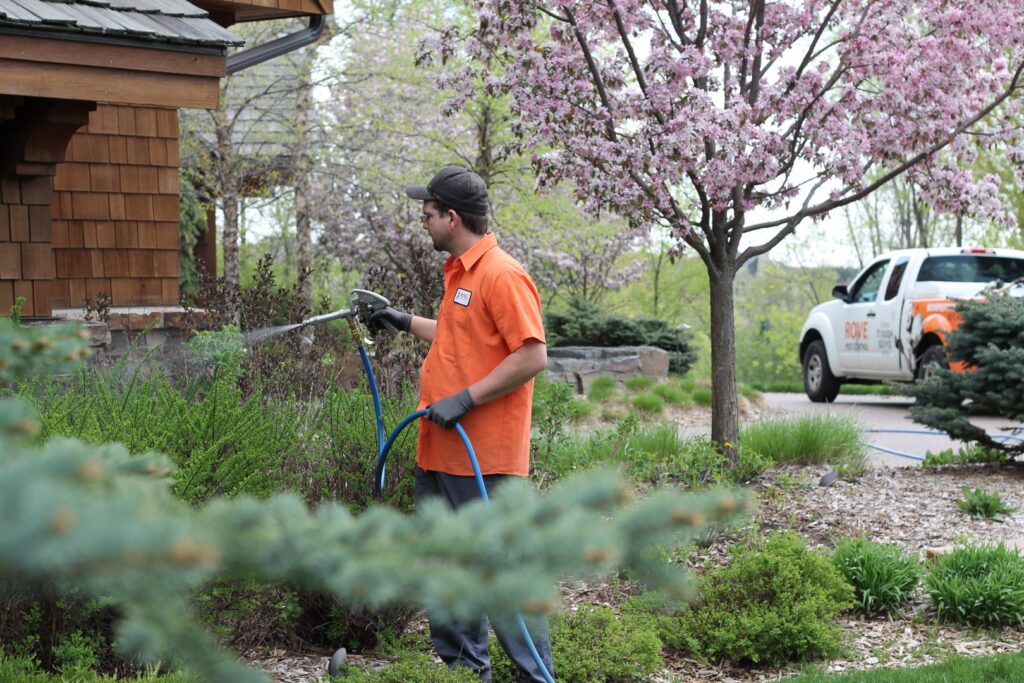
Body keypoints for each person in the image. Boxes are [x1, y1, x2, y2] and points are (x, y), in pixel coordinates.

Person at [368, 165, 553, 682]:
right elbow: (459, 341)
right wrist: (401, 320)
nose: (422, 223)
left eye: (427, 215)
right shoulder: (460, 273)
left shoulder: (501, 274)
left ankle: (535, 679)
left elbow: (532, 355)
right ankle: (465, 675)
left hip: (483, 460)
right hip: (438, 455)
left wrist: (466, 400)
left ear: (452, 217)